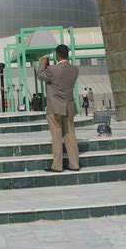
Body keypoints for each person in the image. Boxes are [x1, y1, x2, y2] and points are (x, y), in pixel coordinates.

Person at [38, 44, 80, 173]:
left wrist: (43, 63)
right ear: (67, 54)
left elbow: (40, 76)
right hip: (69, 106)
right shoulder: (74, 69)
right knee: (70, 135)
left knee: (56, 136)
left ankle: (57, 166)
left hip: (55, 108)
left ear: (57, 55)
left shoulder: (53, 69)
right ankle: (74, 164)